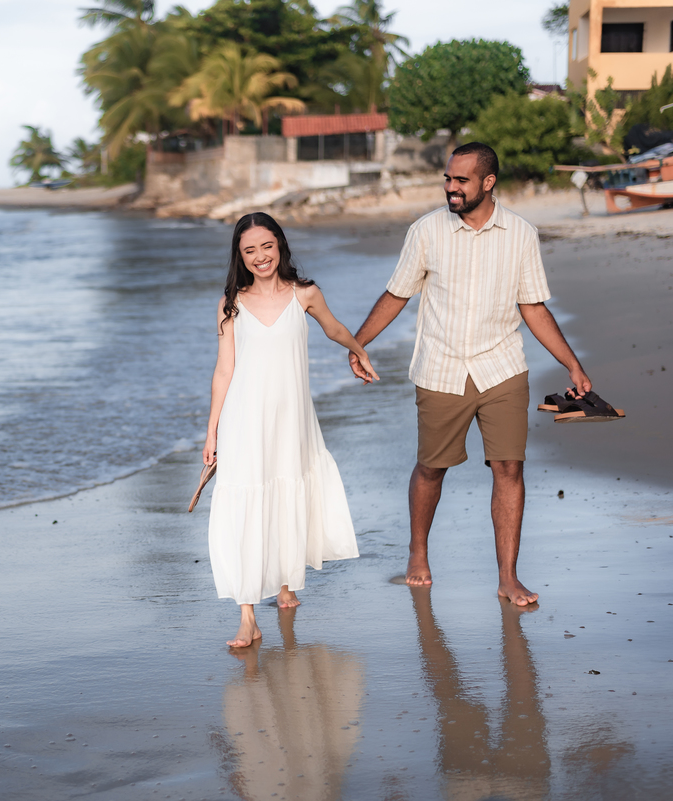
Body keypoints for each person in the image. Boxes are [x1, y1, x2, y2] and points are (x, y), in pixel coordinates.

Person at [346, 142, 591, 607]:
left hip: (502, 367)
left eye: (461, 180)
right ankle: (418, 552)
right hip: (440, 369)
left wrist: (572, 364)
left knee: (509, 467)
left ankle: (508, 576)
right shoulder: (425, 232)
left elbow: (533, 306)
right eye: (447, 179)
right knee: (432, 467)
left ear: (488, 182)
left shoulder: (520, 234)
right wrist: (359, 345)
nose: (451, 187)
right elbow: (396, 294)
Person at [204, 212, 378, 648]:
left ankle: (285, 582)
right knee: (245, 500)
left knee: (285, 492)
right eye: (249, 251)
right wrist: (212, 433)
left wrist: (358, 350)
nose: (260, 257)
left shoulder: (305, 294)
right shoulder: (231, 302)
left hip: (292, 418)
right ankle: (247, 617)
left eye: (266, 246)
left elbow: (334, 327)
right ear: (239, 257)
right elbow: (224, 370)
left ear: (279, 245)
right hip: (244, 419)